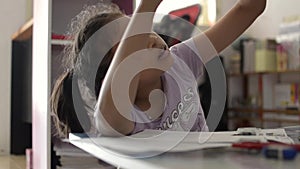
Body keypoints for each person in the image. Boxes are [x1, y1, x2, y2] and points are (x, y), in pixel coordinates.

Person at [51, 0, 267, 138]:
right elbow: (110, 119)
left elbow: (250, 8)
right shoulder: (120, 114)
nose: (152, 37)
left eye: (147, 28)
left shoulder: (182, 60)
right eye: (134, 41)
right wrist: (146, 6)